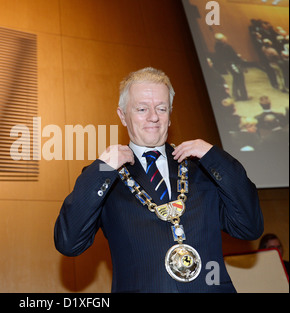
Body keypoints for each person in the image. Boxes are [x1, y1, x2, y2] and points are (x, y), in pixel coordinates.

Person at [54, 67, 264, 293]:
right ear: (123, 116)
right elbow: (69, 243)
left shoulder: (202, 167)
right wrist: (101, 169)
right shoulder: (105, 177)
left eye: (161, 108)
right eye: (142, 108)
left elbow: (249, 227)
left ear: (170, 114)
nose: (153, 117)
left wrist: (216, 158)